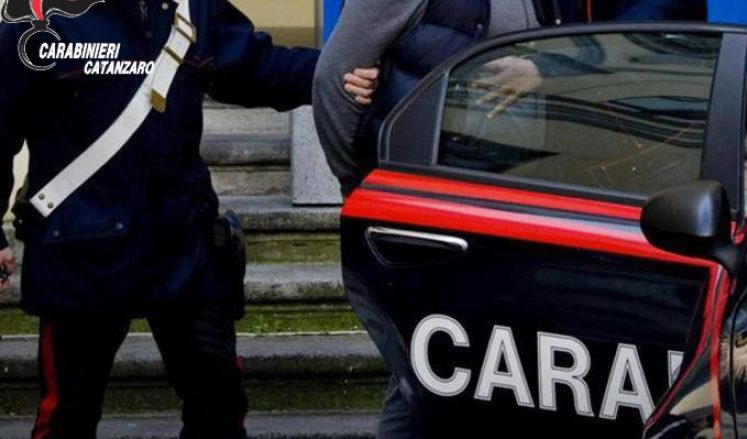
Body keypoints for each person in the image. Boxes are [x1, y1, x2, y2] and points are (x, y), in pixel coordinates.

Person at [313, 0, 706, 437]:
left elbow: (636, 30)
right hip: (443, 213)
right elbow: (334, 78)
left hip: (522, 209)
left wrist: (545, 70)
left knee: (452, 379)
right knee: (436, 372)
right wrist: (365, 187)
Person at [0, 1, 375, 438]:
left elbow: (258, 68)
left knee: (219, 410)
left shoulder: (192, 8)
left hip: (183, 249)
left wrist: (338, 73)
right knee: (68, 418)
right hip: (80, 252)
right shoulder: (37, 16)